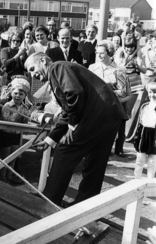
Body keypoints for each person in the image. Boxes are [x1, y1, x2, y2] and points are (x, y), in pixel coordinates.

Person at [25, 52, 127, 206]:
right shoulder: (62, 69)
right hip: (110, 115)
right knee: (95, 163)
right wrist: (50, 139)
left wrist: (73, 124)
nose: (33, 75)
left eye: (33, 68)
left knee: (64, 152)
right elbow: (69, 108)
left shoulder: (57, 67)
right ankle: (85, 205)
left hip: (96, 116)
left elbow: (74, 94)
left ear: (43, 60)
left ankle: (50, 199)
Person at [88, 40, 130, 156]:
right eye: (97, 52)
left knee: (107, 139)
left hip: (111, 109)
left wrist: (107, 93)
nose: (99, 55)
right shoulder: (92, 68)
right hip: (95, 108)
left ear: (109, 53)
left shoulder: (119, 70)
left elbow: (124, 93)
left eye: (102, 53)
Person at [0, 78, 31, 184]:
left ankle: (10, 175)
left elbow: (25, 122)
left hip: (16, 135)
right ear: (11, 93)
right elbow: (7, 121)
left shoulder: (25, 107)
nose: (18, 96)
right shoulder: (7, 106)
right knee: (6, 157)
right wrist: (20, 118)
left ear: (25, 96)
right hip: (6, 134)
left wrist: (26, 117)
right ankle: (2, 176)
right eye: (16, 93)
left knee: (13, 157)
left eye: (21, 94)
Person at [132, 82, 156, 179]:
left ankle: (150, 181)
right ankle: (136, 179)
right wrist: (136, 136)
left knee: (152, 161)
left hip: (154, 135)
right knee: (140, 159)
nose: (152, 95)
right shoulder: (144, 105)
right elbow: (138, 121)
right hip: (143, 133)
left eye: (155, 93)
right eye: (150, 92)